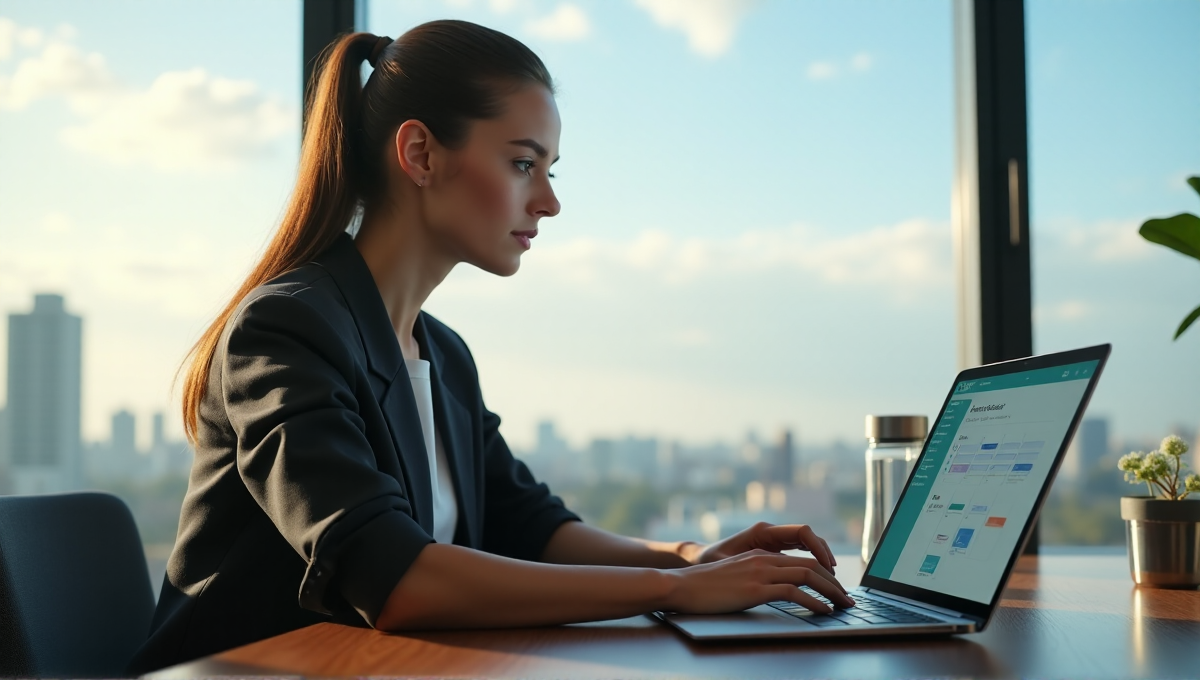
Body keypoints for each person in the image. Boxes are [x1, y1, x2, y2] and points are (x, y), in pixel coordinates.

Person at [128, 20, 853, 673]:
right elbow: (394, 579)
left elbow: (530, 526)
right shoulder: (285, 329)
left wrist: (691, 556)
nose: (549, 202)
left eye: (549, 170)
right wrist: (675, 589)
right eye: (522, 164)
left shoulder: (442, 355)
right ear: (420, 154)